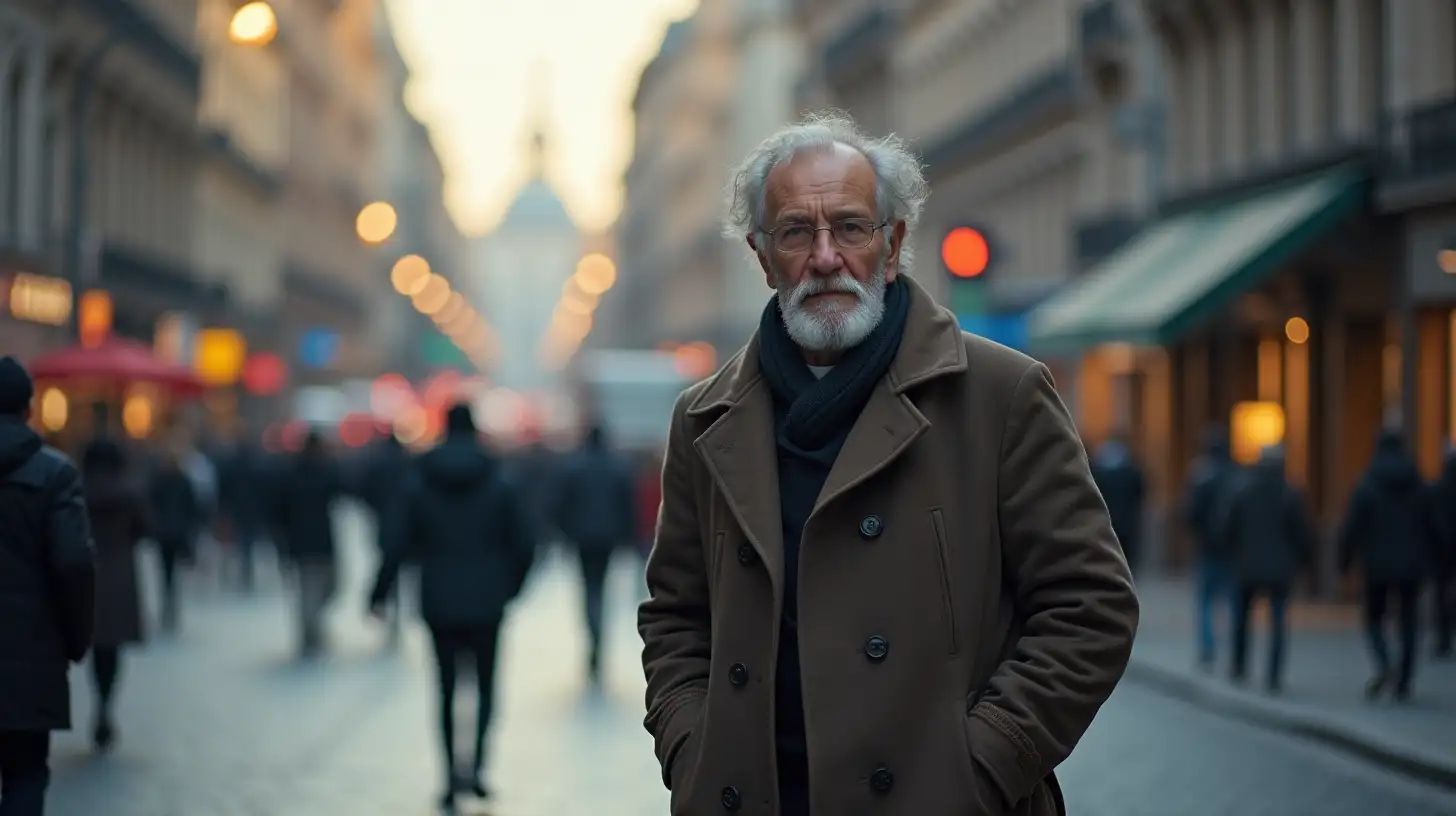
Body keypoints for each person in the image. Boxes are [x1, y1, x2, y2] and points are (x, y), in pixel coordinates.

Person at [638, 112, 1138, 816]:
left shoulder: (1000, 393)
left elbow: (1092, 608)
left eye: (850, 227)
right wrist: (691, 750)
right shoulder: (704, 418)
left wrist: (983, 766)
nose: (824, 257)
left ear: (893, 242)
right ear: (761, 255)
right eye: (794, 232)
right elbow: (676, 618)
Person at [369, 403, 535, 811]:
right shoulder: (499, 481)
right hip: (486, 599)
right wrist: (509, 588)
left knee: (444, 690)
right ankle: (477, 769)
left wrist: (378, 591)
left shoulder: (421, 480)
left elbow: (397, 542)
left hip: (438, 599)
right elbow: (525, 543)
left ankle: (448, 776)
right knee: (484, 688)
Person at [0, 356, 96, 815]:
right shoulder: (55, 475)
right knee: (25, 773)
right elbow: (74, 564)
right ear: (29, 410)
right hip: (30, 651)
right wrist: (75, 640)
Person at [1338, 429, 1438, 701]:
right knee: (1409, 622)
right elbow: (1432, 525)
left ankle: (1384, 663)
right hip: (1411, 565)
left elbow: (1353, 527)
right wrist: (1435, 559)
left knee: (1373, 619)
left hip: (1376, 564)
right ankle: (1404, 679)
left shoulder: (1367, 484)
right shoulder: (1418, 484)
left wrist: (1344, 561)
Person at [1217, 444, 1313, 694]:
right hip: (1280, 568)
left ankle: (1239, 666)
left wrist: (1231, 551)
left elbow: (1226, 527)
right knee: (1279, 621)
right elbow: (1301, 533)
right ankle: (1274, 675)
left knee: (1242, 618)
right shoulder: (1290, 493)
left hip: (1247, 565)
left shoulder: (1243, 490)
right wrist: (1304, 561)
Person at [553, 424, 637, 684]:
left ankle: (592, 630)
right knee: (601, 586)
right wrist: (626, 535)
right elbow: (627, 504)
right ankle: (598, 634)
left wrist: (566, 532)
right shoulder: (617, 467)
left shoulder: (574, 467)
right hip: (608, 537)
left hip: (582, 537)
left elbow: (561, 503)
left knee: (588, 587)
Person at [79, 438, 149, 751]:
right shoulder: (129, 493)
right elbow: (146, 528)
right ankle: (106, 705)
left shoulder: (76, 492)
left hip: (84, 576)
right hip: (120, 579)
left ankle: (99, 701)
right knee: (112, 650)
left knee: (94, 649)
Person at [272, 430, 345, 658]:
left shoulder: (295, 473)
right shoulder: (314, 472)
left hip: (306, 541)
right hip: (315, 541)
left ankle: (311, 629)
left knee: (320, 588)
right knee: (313, 589)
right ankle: (310, 634)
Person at [1180, 427, 1240, 669]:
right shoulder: (1236, 476)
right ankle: (1235, 646)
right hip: (1232, 548)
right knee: (1233, 599)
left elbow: (1189, 513)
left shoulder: (1200, 476)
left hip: (1207, 547)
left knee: (1206, 600)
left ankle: (1208, 648)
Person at [149, 439, 203, 633]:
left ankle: (168, 607)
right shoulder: (182, 480)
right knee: (173, 573)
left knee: (166, 572)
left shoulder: (160, 479)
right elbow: (193, 508)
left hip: (166, 533)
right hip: (176, 532)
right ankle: (171, 608)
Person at [1089, 437, 1146, 574]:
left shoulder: (1098, 472)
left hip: (1107, 521)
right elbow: (1140, 493)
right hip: (1126, 523)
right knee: (1126, 559)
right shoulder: (1131, 472)